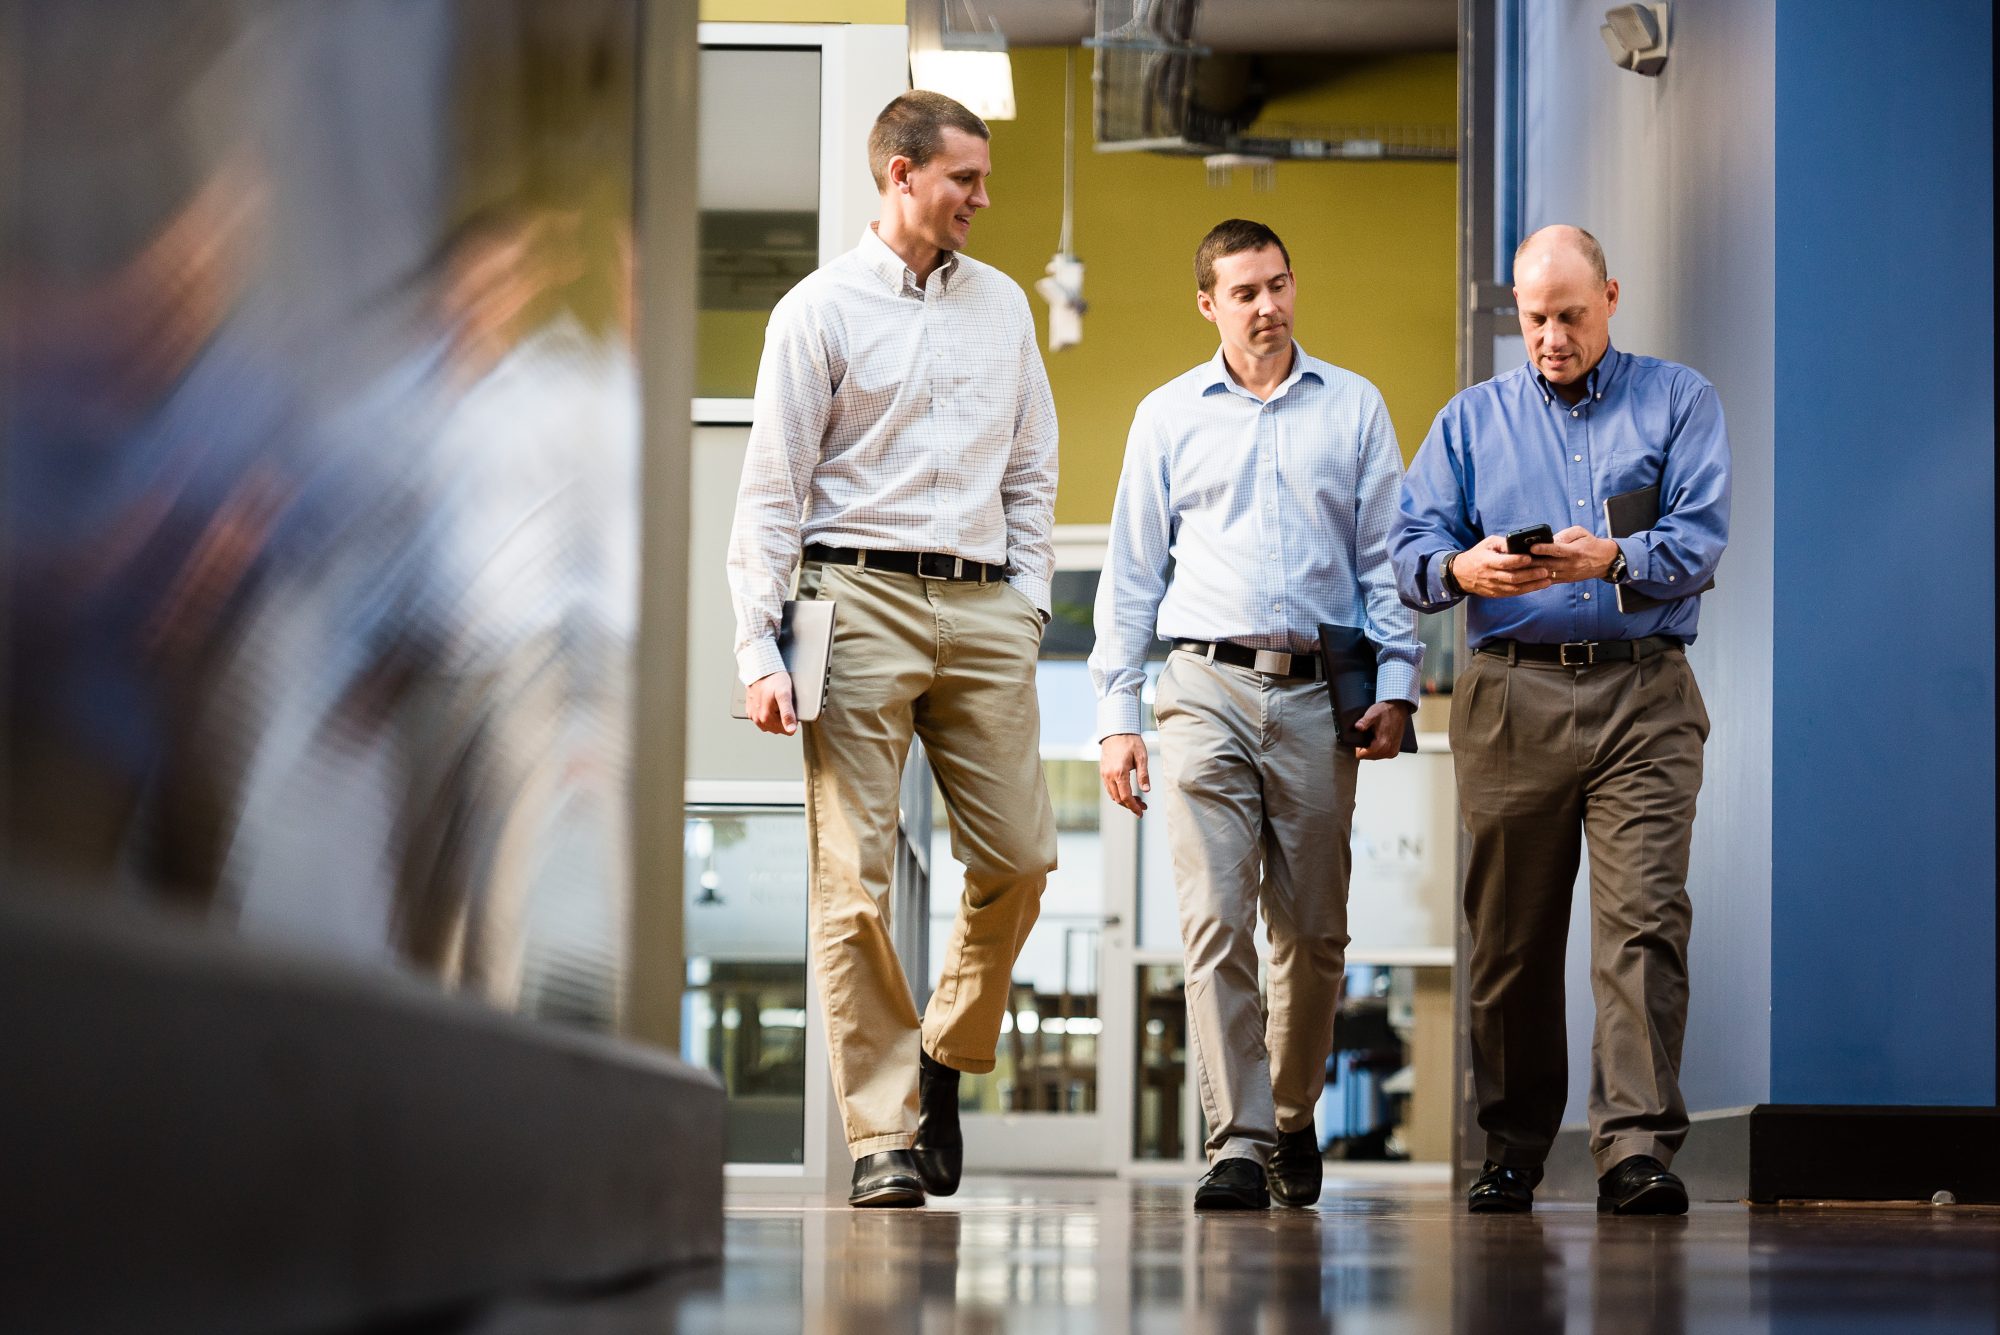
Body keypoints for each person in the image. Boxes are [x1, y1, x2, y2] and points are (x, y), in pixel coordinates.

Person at [726, 91, 1059, 1208]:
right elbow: (770, 495)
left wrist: (1024, 607)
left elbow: (1030, 472)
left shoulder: (1005, 307)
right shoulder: (815, 312)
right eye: (963, 177)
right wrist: (757, 649)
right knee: (850, 880)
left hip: (979, 612)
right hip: (851, 600)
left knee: (1019, 857)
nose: (980, 196)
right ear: (901, 175)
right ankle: (881, 1137)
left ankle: (946, 1053)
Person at [1389, 224, 1730, 1216]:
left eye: (1569, 315)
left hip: (1643, 694)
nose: (1549, 336)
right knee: (1509, 939)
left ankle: (1631, 1151)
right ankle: (1509, 1151)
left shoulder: (1677, 401)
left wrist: (1612, 561)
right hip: (1508, 696)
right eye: (1533, 318)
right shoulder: (1466, 423)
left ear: (1609, 298)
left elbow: (1698, 539)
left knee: (1641, 928)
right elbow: (1407, 552)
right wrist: (1460, 568)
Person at [1090, 220, 1420, 1211]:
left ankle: (1286, 1112)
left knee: (1313, 932)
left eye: (1278, 284)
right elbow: (1130, 573)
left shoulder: (1353, 407)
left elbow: (1383, 565)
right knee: (1213, 917)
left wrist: (1397, 682)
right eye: (1244, 291)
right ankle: (1233, 1140)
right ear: (1208, 305)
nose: (1267, 305)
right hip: (1200, 690)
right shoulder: (1165, 417)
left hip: (1320, 693)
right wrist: (1116, 712)